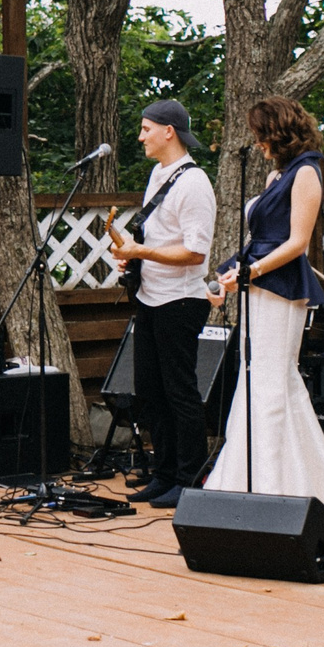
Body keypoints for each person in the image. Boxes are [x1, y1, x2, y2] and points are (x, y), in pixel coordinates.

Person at [195, 96, 324, 529]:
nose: (258, 143)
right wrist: (227, 276)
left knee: (270, 380)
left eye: (262, 135)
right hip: (257, 285)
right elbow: (260, 239)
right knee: (257, 380)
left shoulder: (307, 171)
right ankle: (253, 481)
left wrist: (251, 272)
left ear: (278, 132)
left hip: (282, 289)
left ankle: (273, 489)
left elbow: (297, 242)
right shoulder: (276, 174)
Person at [110, 100, 216, 504]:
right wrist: (132, 256)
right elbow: (159, 239)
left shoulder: (194, 183)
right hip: (151, 298)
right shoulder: (158, 174)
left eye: (146, 129)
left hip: (181, 300)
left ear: (168, 131)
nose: (141, 137)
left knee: (180, 392)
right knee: (150, 392)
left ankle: (189, 480)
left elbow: (195, 252)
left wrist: (142, 253)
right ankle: (165, 473)